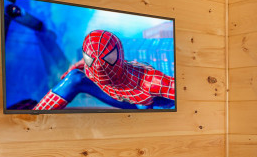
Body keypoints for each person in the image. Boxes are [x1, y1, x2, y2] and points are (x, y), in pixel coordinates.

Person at [33, 29, 175, 110]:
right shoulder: (93, 63)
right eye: (92, 60)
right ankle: (35, 117)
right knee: (74, 77)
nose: (99, 66)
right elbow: (91, 58)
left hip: (140, 103)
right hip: (119, 94)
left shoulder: (150, 81)